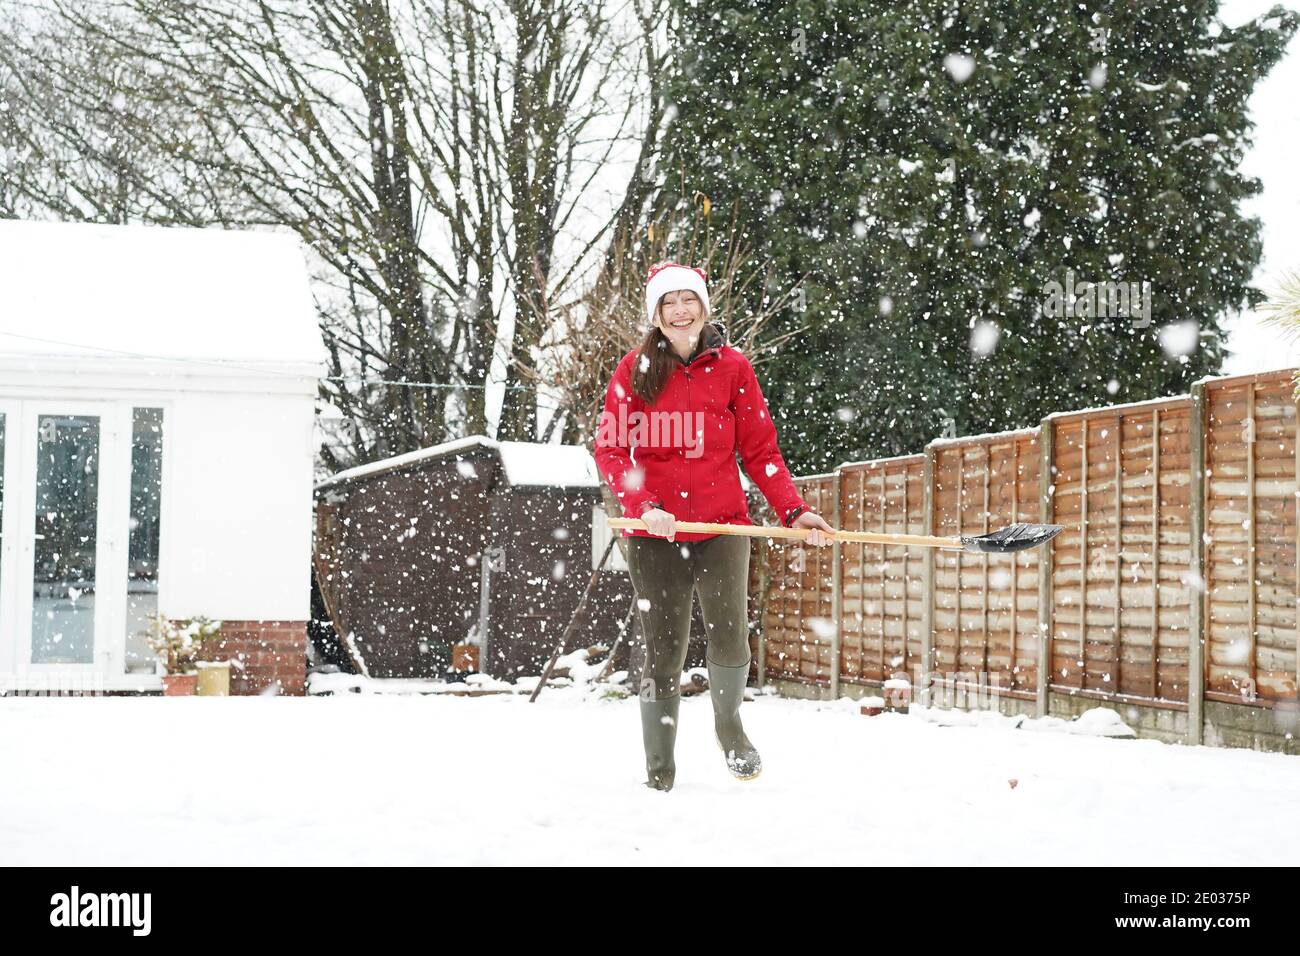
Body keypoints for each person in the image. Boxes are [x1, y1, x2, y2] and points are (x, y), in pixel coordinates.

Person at [593, 261, 835, 791]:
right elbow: (610, 448)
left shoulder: (734, 368)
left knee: (729, 635)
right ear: (655, 314)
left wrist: (794, 510)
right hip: (655, 532)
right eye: (668, 302)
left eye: (689, 300)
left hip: (724, 526)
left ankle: (728, 725)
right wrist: (644, 505)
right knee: (664, 648)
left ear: (704, 306)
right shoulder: (632, 370)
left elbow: (760, 450)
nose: (680, 311)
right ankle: (660, 771)